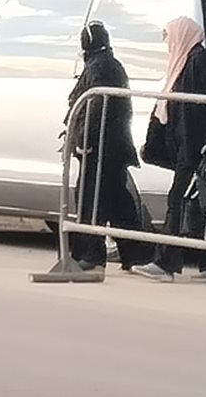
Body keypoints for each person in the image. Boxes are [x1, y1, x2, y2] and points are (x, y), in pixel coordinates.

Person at [133, 17, 206, 283]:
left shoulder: (201, 60)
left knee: (178, 200)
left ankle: (165, 264)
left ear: (181, 35)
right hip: (188, 147)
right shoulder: (183, 62)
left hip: (198, 148)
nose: (167, 43)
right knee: (200, 208)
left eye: (169, 36)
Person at [64, 22, 154, 272]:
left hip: (101, 148)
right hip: (110, 146)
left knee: (90, 200)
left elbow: (97, 106)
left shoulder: (100, 67)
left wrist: (84, 140)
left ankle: (91, 255)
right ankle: (136, 254)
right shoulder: (108, 64)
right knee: (117, 203)